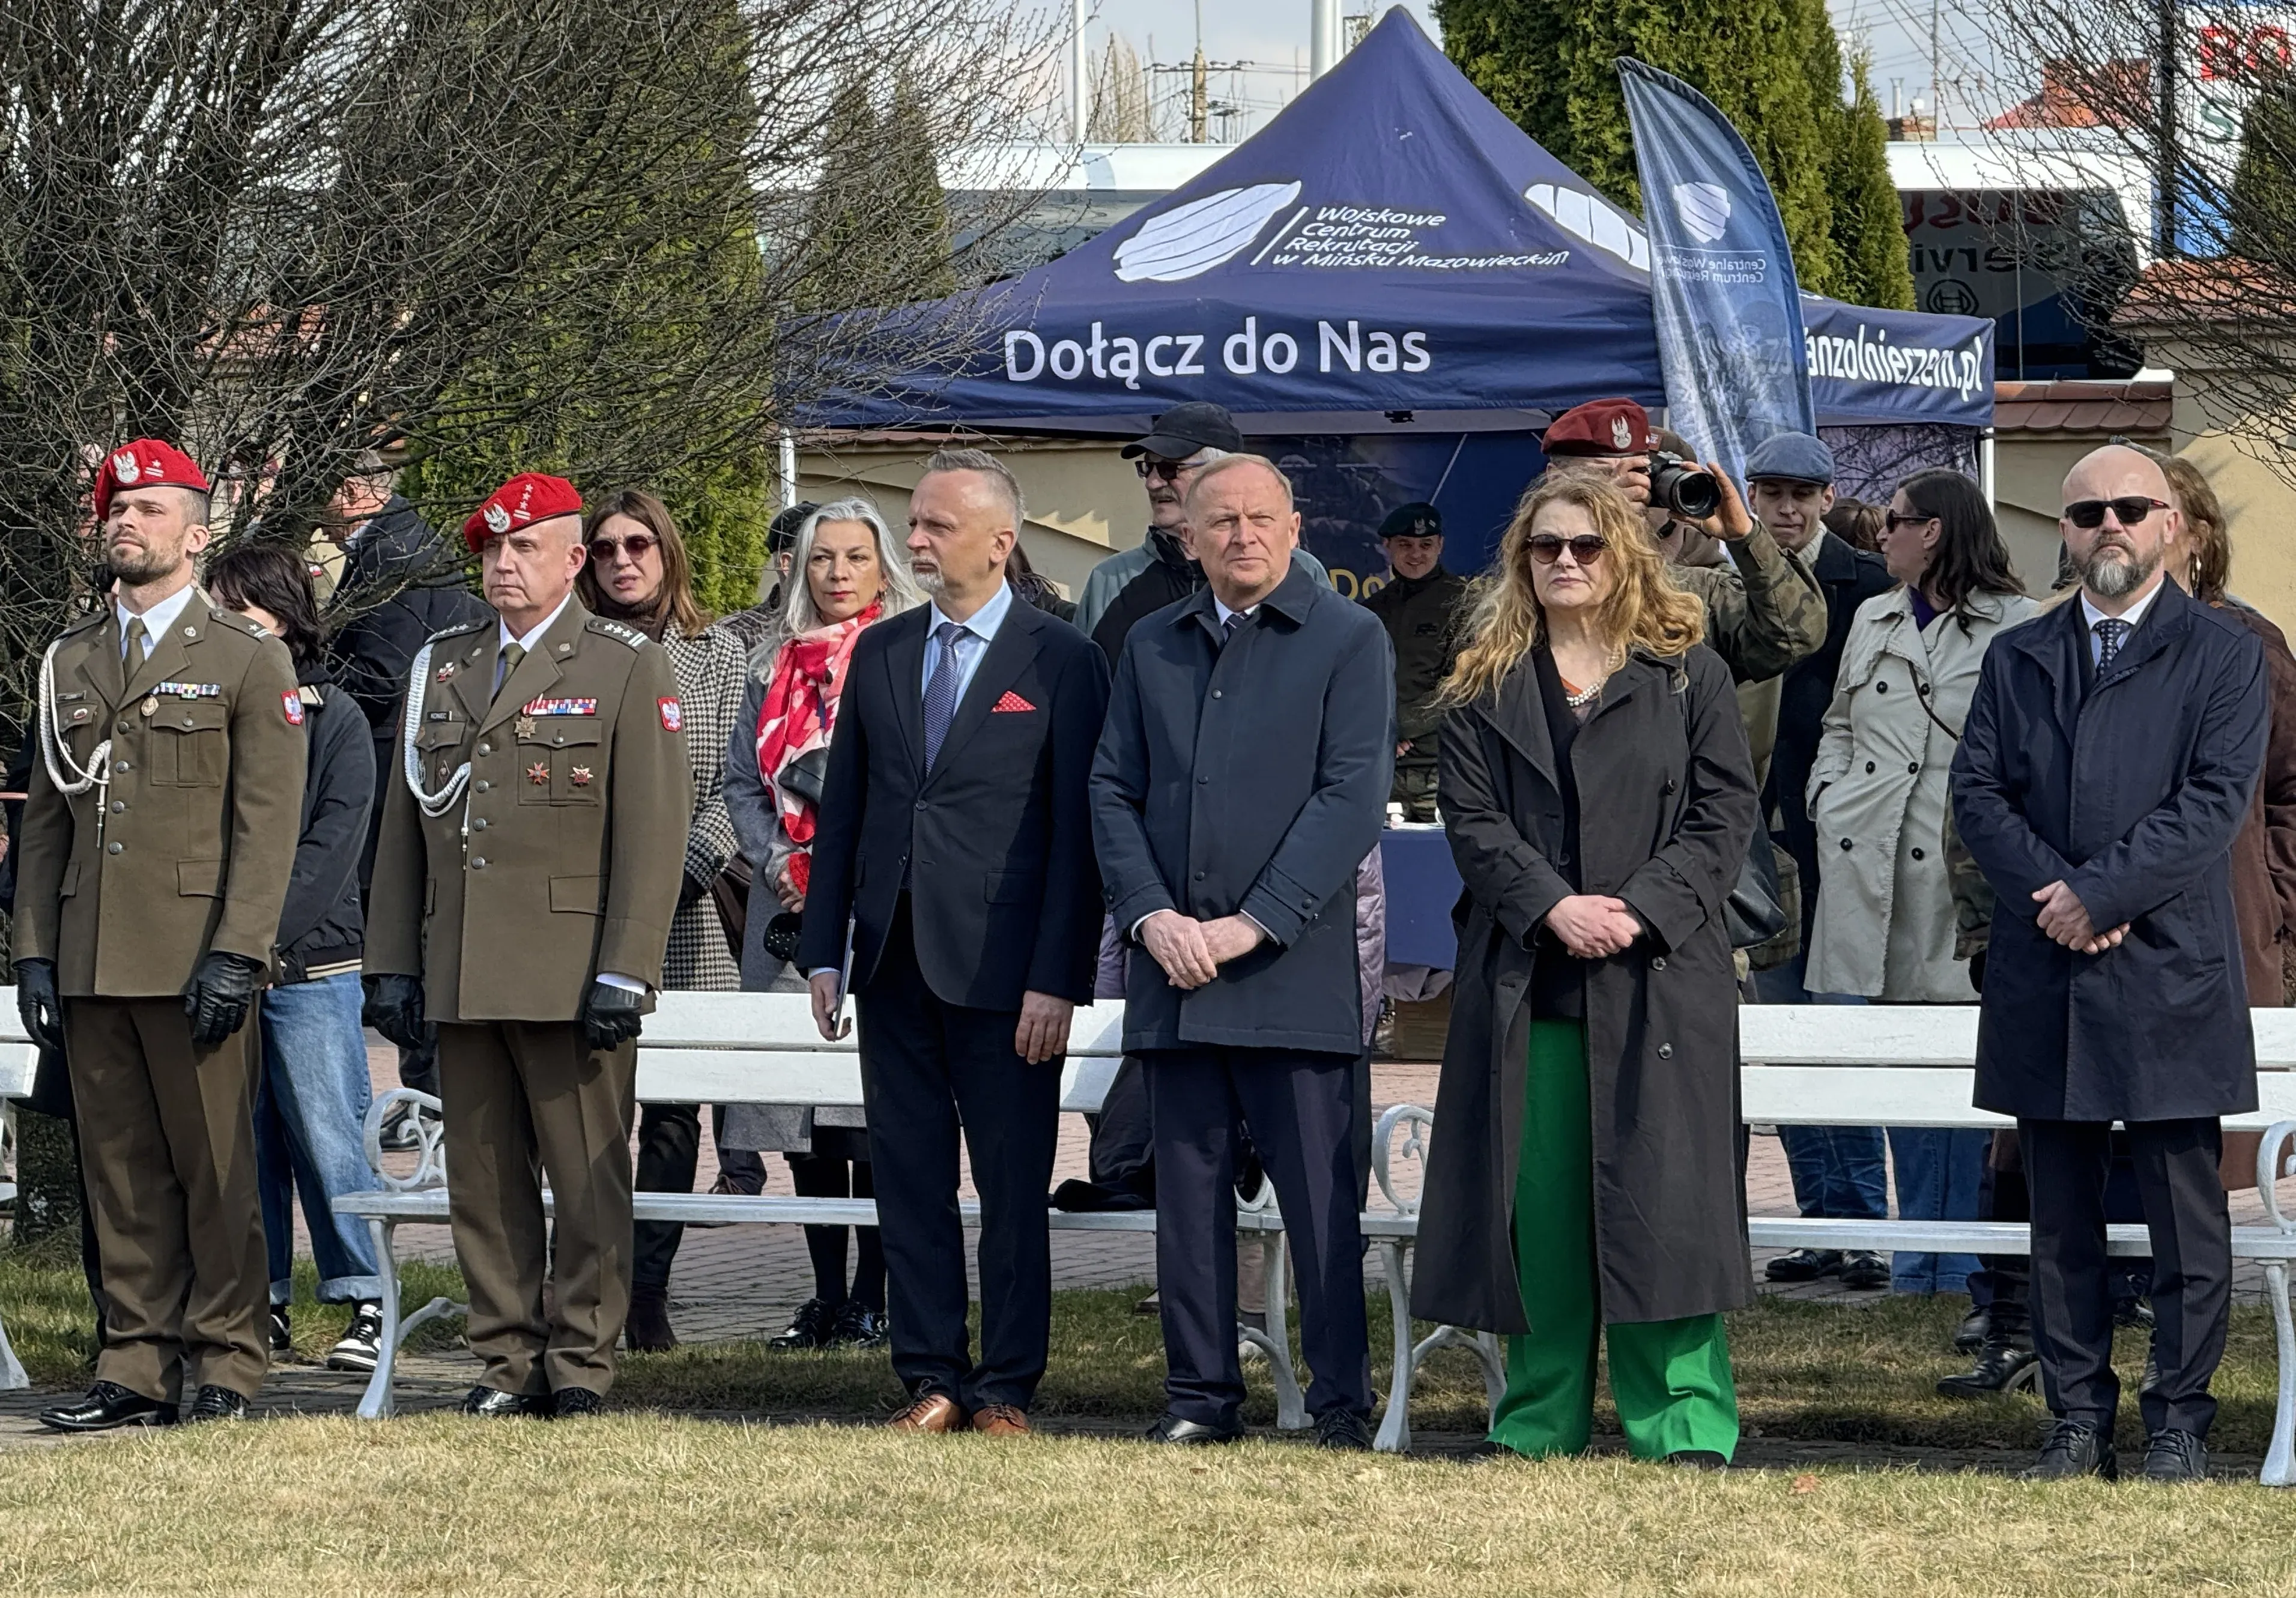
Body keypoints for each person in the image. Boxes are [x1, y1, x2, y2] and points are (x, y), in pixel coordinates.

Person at [1408, 474, 1756, 1466]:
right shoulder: (1483, 681)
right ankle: (1535, 1423)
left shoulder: (1687, 673)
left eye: (1586, 546)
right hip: (1531, 983)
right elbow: (1470, 824)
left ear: (1624, 557)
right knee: (1541, 1221)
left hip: (1659, 982)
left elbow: (1722, 816)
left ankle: (1683, 1425)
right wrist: (1552, 906)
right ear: (1521, 560)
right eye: (1544, 546)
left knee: (1668, 1216)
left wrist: (1637, 907)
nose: (1565, 561)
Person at [1952, 443, 2267, 1482]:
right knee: (2060, 1221)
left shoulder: (2224, 657)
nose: (2108, 528)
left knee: (2185, 1219)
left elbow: (2212, 804)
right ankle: (2074, 1418)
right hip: (2049, 969)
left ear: (2171, 524)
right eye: (2085, 514)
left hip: (2168, 966)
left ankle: (2177, 1418)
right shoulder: (2018, 656)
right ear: (2065, 534)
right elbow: (1977, 798)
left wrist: (2099, 893)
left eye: (2131, 508)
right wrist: (2059, 897)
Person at [362, 471, 690, 1417]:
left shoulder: (621, 663)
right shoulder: (447, 663)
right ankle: (505, 1360)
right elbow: (403, 829)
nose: (502, 565)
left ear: (571, 560)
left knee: (587, 1179)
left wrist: (625, 968)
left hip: (571, 967)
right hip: (462, 965)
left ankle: (582, 1363)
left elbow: (652, 831)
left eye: (524, 548)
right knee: (486, 1178)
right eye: (491, 549)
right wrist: (392, 959)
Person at [798, 448, 1107, 1435]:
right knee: (911, 1179)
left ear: (1000, 542)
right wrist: (822, 949)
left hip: (1008, 974)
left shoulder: (1061, 659)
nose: (916, 540)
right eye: (916, 523)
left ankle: (1006, 1384)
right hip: (892, 962)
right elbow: (842, 811)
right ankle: (928, 1377)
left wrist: (1056, 977)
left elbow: (1077, 836)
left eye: (935, 525)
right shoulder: (885, 652)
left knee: (1012, 1186)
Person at [1091, 453, 1392, 1450]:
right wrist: (1149, 915)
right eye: (1220, 522)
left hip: (1291, 976)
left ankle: (1340, 1403)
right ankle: (1198, 1397)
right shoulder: (1149, 645)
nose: (1242, 537)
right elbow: (1111, 790)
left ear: (1294, 528)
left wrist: (1249, 923)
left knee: (1319, 1208)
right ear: (1188, 535)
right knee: (1186, 1203)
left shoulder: (1349, 639)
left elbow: (1347, 800)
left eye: (1261, 519)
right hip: (1173, 975)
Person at [15, 440, 304, 1429]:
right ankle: (133, 1363)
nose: (127, 523)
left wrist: (239, 949)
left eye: (150, 509)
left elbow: (267, 823)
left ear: (197, 531)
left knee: (216, 1170)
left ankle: (227, 1359)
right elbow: (46, 821)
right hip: (94, 952)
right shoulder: (71, 658)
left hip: (195, 957)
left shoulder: (245, 655)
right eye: (118, 509)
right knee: (121, 1176)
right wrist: (34, 949)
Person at [1805, 470, 2038, 1303]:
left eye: (1895, 523)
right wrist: (1824, 795)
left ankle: (1955, 1265)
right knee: (1892, 1076)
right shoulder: (1871, 614)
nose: (1881, 536)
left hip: (1955, 874)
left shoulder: (2014, 626)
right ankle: (1916, 1264)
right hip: (1865, 864)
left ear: (1933, 531)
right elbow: (1837, 726)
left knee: (1953, 1079)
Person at [721, 497, 924, 1349]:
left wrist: (839, 870)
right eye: (820, 559)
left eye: (854, 558)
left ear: (884, 569)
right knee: (800, 1118)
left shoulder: (909, 656)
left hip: (877, 905)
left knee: (868, 1116)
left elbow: (914, 784)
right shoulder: (769, 664)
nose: (837, 574)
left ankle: (879, 1295)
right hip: (785, 906)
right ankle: (824, 1294)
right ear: (796, 568)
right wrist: (781, 859)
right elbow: (738, 781)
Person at [573, 489, 751, 1353]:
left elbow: (733, 785)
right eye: (603, 549)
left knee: (674, 1112)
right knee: (584, 1108)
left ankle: (648, 1290)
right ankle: (587, 1284)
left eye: (637, 544)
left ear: (667, 552)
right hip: (578, 911)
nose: (621, 561)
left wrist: (673, 875)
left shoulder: (717, 656)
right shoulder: (571, 654)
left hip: (682, 914)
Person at [205, 545, 389, 1373]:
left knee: (326, 1133)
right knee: (247, 1144)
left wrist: (256, 940)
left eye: (237, 612)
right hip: (222, 966)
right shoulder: (212, 712)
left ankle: (367, 1297)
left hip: (309, 965)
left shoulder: (335, 718)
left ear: (281, 620)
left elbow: (331, 847)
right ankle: (264, 1298)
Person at [1739, 433, 1898, 1290]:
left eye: (1801, 494)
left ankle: (1864, 1226)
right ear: (1752, 499)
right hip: (1754, 847)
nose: (1788, 509)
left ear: (1829, 496)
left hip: (1830, 847)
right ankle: (1819, 1221)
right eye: (1771, 493)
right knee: (1782, 1042)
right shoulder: (1731, 580)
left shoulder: (1867, 586)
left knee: (1836, 1038)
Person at [323, 455, 491, 1125]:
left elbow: (384, 673)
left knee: (407, 946)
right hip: (419, 773)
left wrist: (316, 693)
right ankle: (428, 1096)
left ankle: (430, 1099)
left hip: (400, 773)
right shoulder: (407, 540)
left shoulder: (391, 550)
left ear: (352, 489)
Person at [1537, 397, 1824, 686]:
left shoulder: (1689, 594)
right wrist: (1594, 519)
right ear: (1554, 479)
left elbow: (1794, 638)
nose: (1623, 491)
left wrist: (1746, 537)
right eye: (1599, 477)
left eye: (1637, 475)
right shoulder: (1530, 583)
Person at [1078, 401, 1330, 659]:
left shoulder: (1298, 569)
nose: (1153, 483)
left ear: (1220, 474)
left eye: (1169, 469)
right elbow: (1088, 686)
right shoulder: (1111, 579)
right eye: (1147, 468)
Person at [1362, 501, 1468, 824]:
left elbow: (1464, 684)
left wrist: (1400, 727)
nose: (1416, 554)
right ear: (1387, 547)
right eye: (1405, 545)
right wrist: (1382, 732)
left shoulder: (1465, 602)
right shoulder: (1372, 610)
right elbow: (1358, 686)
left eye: (1426, 545)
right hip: (1380, 771)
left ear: (1440, 546)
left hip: (1444, 771)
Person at [719, 500, 818, 656]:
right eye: (821, 557)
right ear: (788, 564)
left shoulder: (855, 630)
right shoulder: (735, 636)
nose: (838, 570)